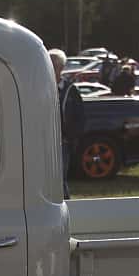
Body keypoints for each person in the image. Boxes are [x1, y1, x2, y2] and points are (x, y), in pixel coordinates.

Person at [49, 49, 87, 193]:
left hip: (63, 142)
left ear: (60, 68)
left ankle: (67, 209)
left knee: (60, 178)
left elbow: (80, 116)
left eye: (53, 64)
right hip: (43, 141)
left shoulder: (70, 90)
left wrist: (72, 136)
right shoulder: (39, 87)